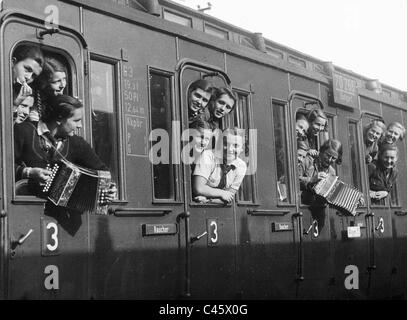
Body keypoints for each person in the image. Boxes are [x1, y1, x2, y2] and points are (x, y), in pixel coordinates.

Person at [14, 94, 117, 202]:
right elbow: (5, 167)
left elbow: (103, 173)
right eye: (76, 120)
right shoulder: (23, 131)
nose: (80, 125)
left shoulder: (77, 143)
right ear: (59, 119)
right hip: (27, 208)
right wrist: (28, 172)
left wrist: (110, 189)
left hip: (63, 216)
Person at [193, 128, 247, 204]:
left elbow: (230, 196)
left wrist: (208, 201)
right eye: (226, 144)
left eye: (235, 145)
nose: (230, 149)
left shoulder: (241, 166)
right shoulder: (208, 156)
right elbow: (199, 188)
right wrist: (222, 193)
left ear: (242, 148)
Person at [299, 139, 342, 204]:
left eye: (333, 158)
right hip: (302, 207)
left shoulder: (332, 172)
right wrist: (311, 179)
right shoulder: (308, 161)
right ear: (321, 151)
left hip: (319, 209)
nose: (329, 160)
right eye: (327, 155)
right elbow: (292, 181)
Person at [30, 56, 68, 122]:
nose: (63, 85)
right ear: (43, 83)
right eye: (57, 81)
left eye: (64, 79)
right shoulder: (32, 105)